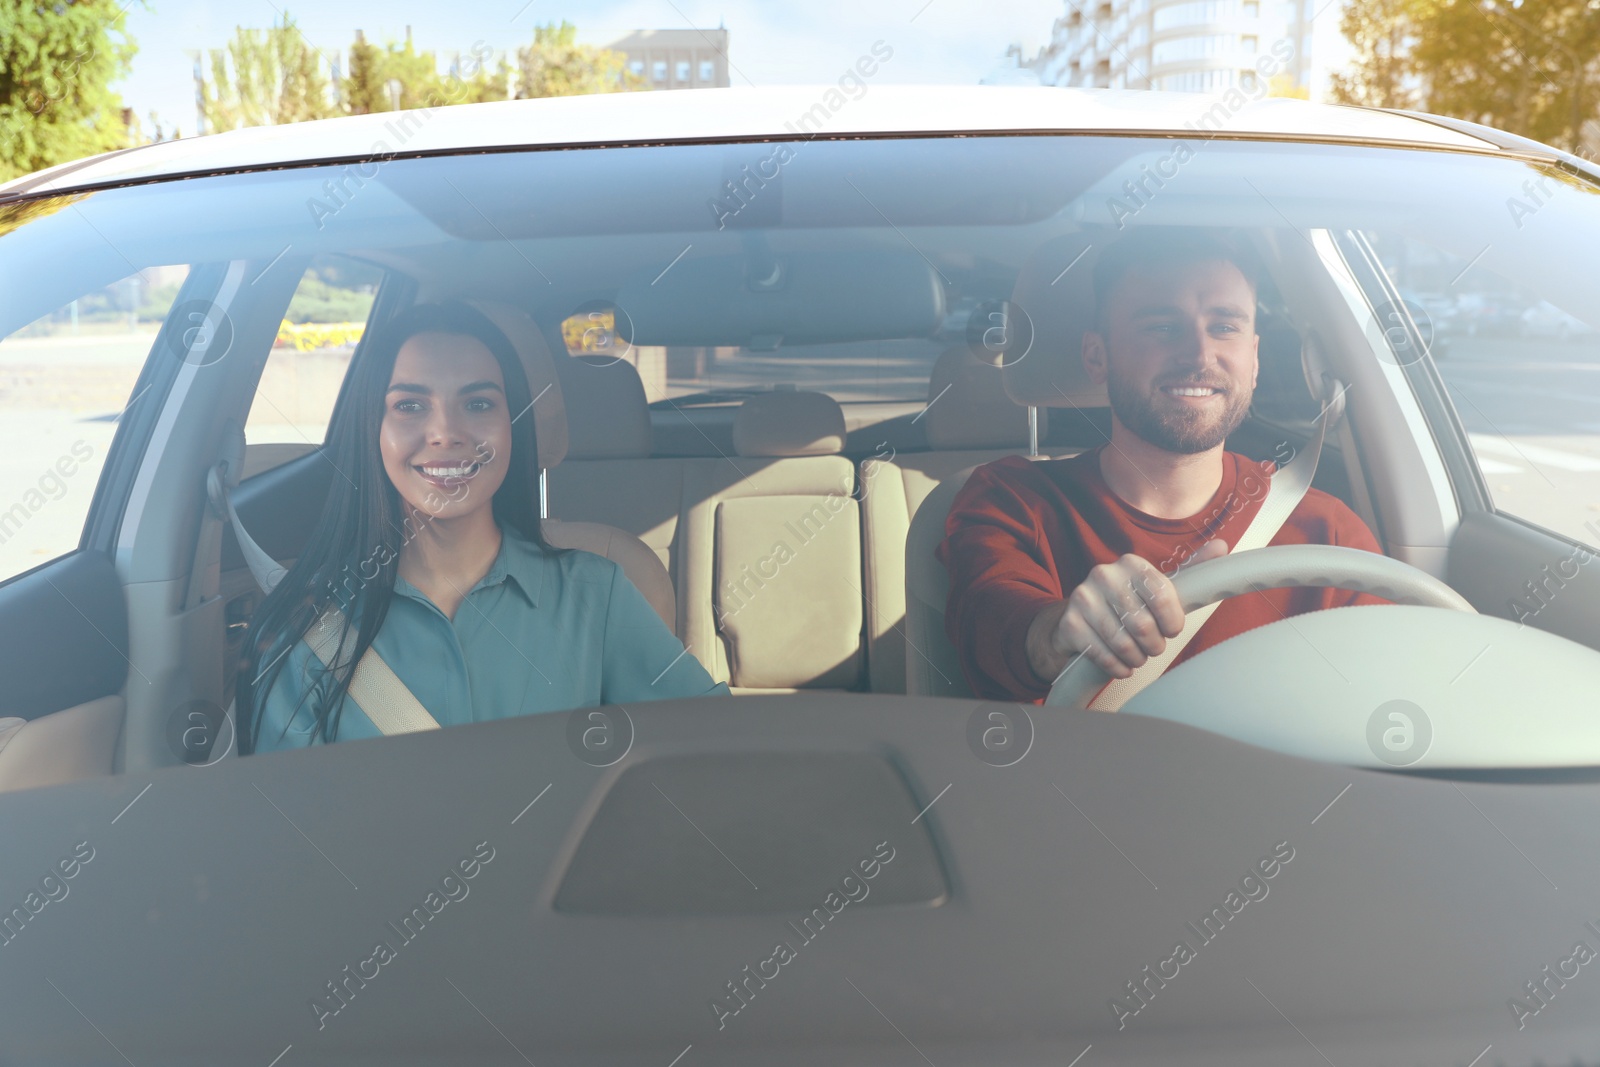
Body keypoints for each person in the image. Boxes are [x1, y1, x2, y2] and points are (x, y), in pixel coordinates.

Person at [241, 302, 725, 752]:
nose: (446, 432)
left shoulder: (597, 595)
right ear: (374, 429)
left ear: (514, 427)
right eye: (410, 405)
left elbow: (709, 753)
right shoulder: (308, 626)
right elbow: (291, 828)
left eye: (478, 404)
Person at [938, 229, 1388, 704]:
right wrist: (1056, 635)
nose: (1198, 354)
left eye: (1224, 327)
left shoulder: (1327, 532)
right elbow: (994, 619)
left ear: (1253, 359)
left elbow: (1394, 693)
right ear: (1097, 356)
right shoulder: (1011, 500)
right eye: (1161, 327)